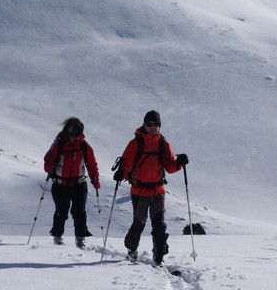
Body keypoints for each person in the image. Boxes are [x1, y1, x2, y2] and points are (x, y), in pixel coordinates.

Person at [113, 110, 188, 265]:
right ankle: (131, 248)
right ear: (144, 125)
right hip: (139, 191)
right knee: (139, 223)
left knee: (159, 224)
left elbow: (169, 166)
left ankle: (159, 256)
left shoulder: (163, 144)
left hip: (158, 190)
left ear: (159, 126)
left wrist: (179, 163)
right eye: (149, 124)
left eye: (155, 124)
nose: (152, 127)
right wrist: (121, 172)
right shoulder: (135, 143)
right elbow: (126, 161)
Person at [43, 117, 100, 248]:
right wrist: (50, 166)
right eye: (73, 136)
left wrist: (95, 179)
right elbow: (47, 162)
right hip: (60, 184)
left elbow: (92, 165)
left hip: (79, 184)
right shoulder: (58, 145)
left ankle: (80, 238)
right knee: (61, 211)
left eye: (77, 135)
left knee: (79, 211)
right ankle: (57, 236)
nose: (75, 138)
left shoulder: (85, 147)